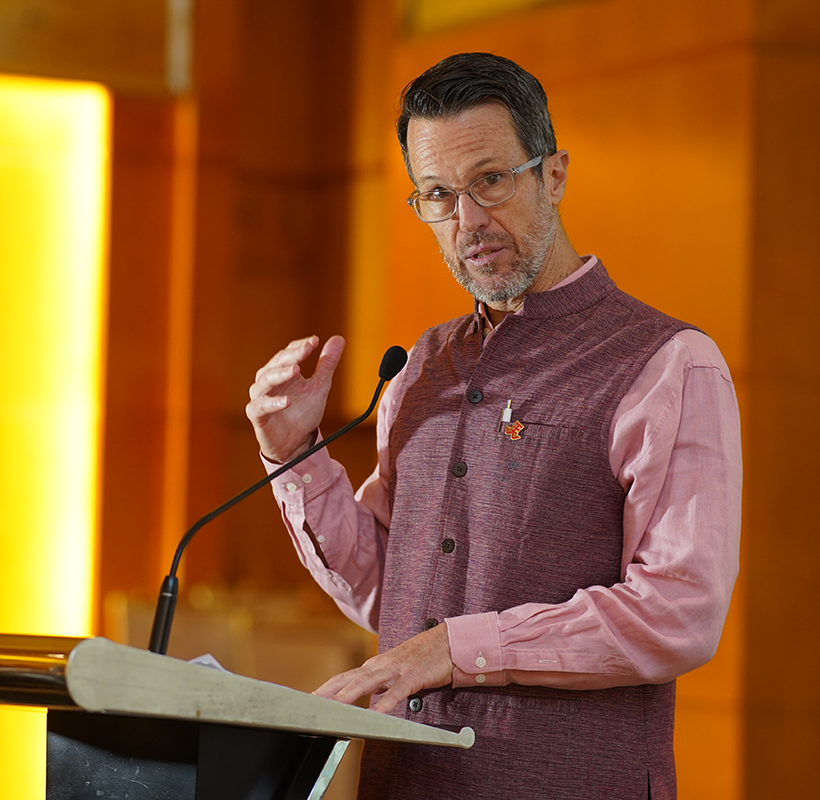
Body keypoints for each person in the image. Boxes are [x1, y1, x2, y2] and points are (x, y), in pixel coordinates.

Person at [245, 53, 741, 799]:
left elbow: (681, 611)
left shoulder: (670, 364)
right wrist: (295, 455)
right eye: (439, 195)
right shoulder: (419, 367)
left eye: (491, 181)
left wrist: (457, 648)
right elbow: (394, 593)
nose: (468, 221)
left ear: (554, 175)